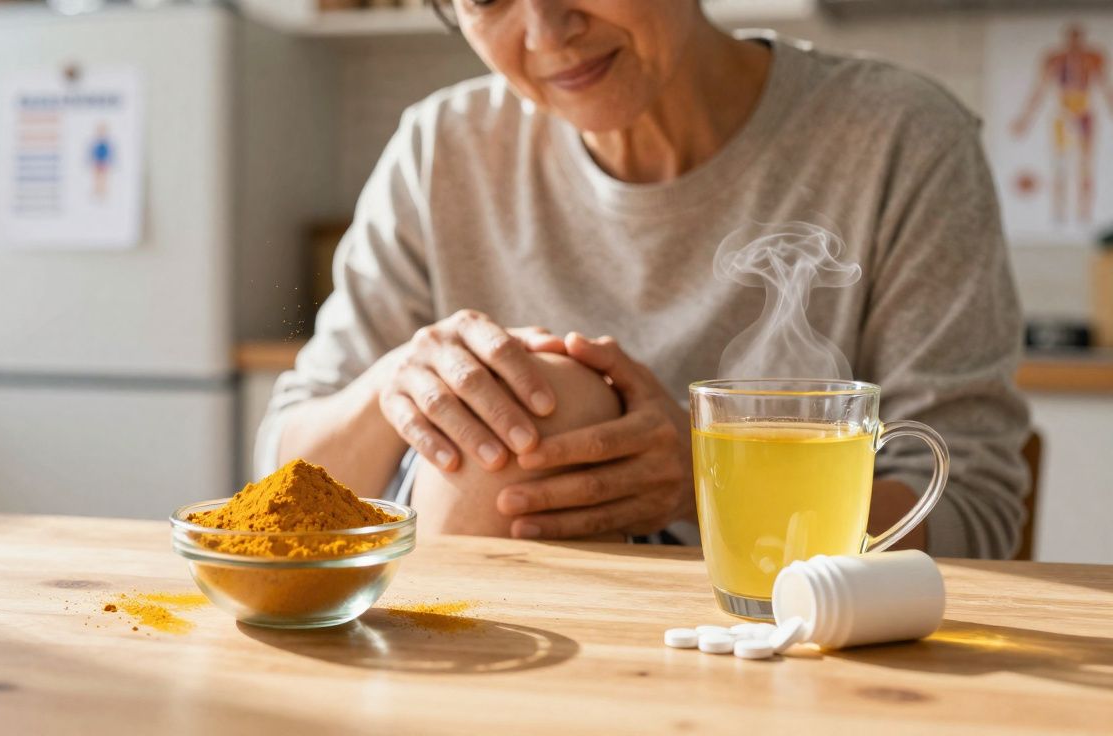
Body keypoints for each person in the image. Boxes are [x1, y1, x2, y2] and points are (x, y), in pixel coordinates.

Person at [256, 0, 1031, 558]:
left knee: (541, 408)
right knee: (510, 413)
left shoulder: (896, 140)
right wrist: (400, 382)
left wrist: (710, 478)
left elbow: (975, 517)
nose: (547, 31)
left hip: (798, 643)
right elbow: (280, 484)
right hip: (497, 661)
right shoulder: (442, 150)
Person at [1011, 23, 1113, 225]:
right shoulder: (1056, 59)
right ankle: (1060, 211)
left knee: (1085, 164)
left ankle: (1083, 212)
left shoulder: (1092, 59)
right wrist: (1025, 119)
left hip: (1083, 110)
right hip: (1063, 111)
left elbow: (1103, 86)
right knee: (1061, 163)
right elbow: (1040, 89)